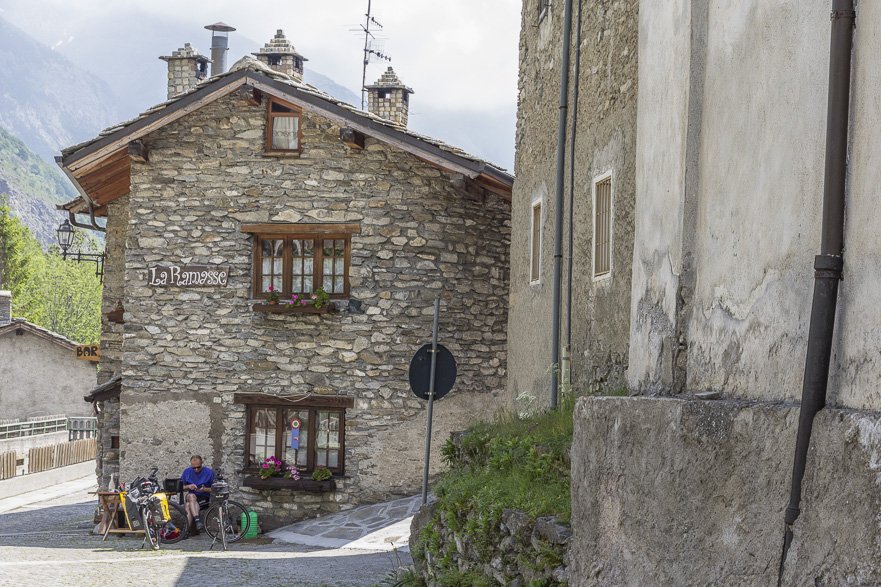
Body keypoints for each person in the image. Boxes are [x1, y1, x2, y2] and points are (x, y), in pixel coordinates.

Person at [181, 455, 214, 532]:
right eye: (194, 467)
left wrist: (205, 489)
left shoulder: (209, 472)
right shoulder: (187, 472)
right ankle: (197, 520)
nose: (196, 469)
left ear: (202, 463)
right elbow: (181, 487)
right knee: (192, 496)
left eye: (198, 467)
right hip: (191, 496)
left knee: (188, 505)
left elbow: (214, 489)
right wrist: (188, 486)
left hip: (203, 497)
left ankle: (185, 531)